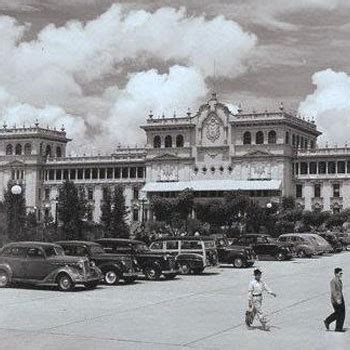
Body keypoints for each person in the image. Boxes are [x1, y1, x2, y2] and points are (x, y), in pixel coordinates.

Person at [324, 267, 346, 332]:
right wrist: (337, 299)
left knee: (341, 313)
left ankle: (331, 323)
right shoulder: (333, 281)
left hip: (340, 297)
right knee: (340, 313)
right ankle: (336, 326)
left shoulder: (339, 280)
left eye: (341, 273)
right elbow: (333, 291)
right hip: (336, 299)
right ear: (336, 274)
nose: (341, 274)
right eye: (340, 273)